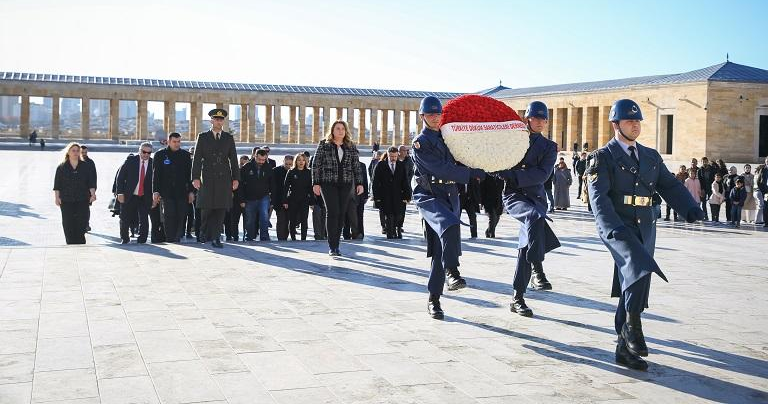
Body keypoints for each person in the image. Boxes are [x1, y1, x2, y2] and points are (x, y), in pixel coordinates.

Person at [587, 99, 703, 371]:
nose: (635, 125)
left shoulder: (651, 156)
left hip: (646, 225)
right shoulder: (602, 157)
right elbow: (598, 199)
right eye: (629, 121)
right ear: (615, 124)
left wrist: (690, 208)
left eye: (638, 120)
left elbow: (670, 185)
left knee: (635, 277)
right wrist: (611, 229)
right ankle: (633, 327)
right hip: (618, 225)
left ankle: (623, 349)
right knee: (639, 267)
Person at [411, 96, 486, 319]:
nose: (435, 118)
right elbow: (441, 169)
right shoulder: (420, 143)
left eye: (438, 114)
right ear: (422, 116)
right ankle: (452, 272)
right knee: (450, 225)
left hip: (450, 196)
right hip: (430, 197)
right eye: (431, 114)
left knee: (439, 251)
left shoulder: (449, 137)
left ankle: (434, 299)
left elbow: (463, 156)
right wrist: (470, 175)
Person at [493, 100, 561, 317]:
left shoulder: (549, 147)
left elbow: (542, 175)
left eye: (544, 119)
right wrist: (508, 174)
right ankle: (538, 268)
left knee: (525, 245)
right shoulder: (512, 140)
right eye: (536, 118)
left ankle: (517, 297)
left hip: (537, 198)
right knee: (534, 219)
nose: (540, 122)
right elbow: (496, 166)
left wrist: (511, 174)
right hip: (515, 197)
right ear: (527, 119)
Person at [311, 120, 364, 257]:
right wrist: (315, 183)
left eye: (342, 129)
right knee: (332, 212)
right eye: (337, 128)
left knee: (341, 213)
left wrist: (359, 183)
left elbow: (356, 166)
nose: (340, 131)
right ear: (332, 130)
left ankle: (337, 245)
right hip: (328, 184)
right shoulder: (324, 144)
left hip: (346, 184)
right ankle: (332, 246)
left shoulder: (350, 146)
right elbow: (316, 164)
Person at [191, 108, 240, 248]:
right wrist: (195, 177)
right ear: (211, 121)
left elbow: (233, 160)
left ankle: (216, 237)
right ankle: (203, 232)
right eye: (216, 119)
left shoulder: (228, 138)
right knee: (206, 209)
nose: (219, 122)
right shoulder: (203, 137)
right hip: (207, 177)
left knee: (220, 208)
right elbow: (197, 159)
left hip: (223, 178)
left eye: (221, 119)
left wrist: (236, 178)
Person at [152, 132, 194, 242]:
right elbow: (156, 175)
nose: (177, 144)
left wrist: (191, 191)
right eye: (174, 142)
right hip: (166, 192)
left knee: (181, 214)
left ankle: (178, 236)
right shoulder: (160, 155)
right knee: (169, 215)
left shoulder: (185, 155)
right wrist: (155, 191)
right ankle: (170, 237)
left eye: (179, 141)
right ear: (169, 141)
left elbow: (190, 175)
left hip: (181, 192)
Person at [53, 143, 96, 244]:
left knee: (82, 221)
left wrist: (93, 194)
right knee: (68, 222)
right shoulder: (61, 167)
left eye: (77, 151)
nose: (76, 153)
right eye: (73, 150)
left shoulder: (85, 166)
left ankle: (80, 241)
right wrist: (56, 197)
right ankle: (70, 242)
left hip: (83, 199)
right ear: (68, 152)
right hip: (66, 200)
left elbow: (91, 182)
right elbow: (57, 184)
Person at [115, 142, 154, 244]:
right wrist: (119, 193)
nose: (146, 154)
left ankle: (142, 240)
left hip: (145, 196)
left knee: (144, 219)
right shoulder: (131, 161)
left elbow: (158, 181)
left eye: (149, 153)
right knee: (125, 218)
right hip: (130, 195)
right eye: (144, 152)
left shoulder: (153, 163)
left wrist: (156, 196)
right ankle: (125, 238)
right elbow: (120, 177)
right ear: (139, 151)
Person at [372, 146, 412, 239]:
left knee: (398, 214)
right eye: (391, 157)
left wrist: (407, 196)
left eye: (395, 156)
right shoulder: (381, 165)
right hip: (385, 195)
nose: (393, 158)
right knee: (388, 215)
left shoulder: (401, 165)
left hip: (398, 195)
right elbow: (375, 182)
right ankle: (390, 233)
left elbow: (405, 181)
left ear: (397, 155)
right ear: (388, 155)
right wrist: (376, 197)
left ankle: (397, 229)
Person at [239, 149, 273, 241]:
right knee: (250, 219)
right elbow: (240, 185)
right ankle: (249, 237)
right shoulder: (247, 167)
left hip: (264, 197)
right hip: (249, 198)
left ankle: (264, 237)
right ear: (255, 157)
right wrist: (241, 200)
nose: (261, 162)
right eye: (259, 160)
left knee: (264, 217)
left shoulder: (268, 167)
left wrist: (272, 199)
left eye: (263, 160)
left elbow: (272, 184)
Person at [283, 153, 313, 240]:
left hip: (304, 199)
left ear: (305, 161)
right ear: (296, 161)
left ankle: (303, 238)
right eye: (299, 160)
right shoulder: (291, 172)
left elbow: (310, 188)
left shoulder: (308, 172)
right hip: (293, 199)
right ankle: (293, 238)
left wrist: (311, 202)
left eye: (303, 160)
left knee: (304, 220)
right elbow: (286, 187)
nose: (301, 162)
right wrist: (285, 201)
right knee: (292, 220)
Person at [272, 154, 294, 240]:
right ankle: (281, 238)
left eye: (290, 164)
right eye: (286, 164)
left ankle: (285, 236)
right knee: (281, 220)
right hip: (279, 200)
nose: (288, 166)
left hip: (291, 200)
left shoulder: (293, 171)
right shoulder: (276, 171)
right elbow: (273, 187)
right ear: (283, 162)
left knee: (288, 220)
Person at [79, 145, 97, 232]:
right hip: (77, 190)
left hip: (87, 191)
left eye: (85, 152)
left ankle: (86, 224)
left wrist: (93, 191)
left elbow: (94, 177)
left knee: (86, 208)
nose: (84, 154)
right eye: (82, 152)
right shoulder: (76, 161)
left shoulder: (90, 162)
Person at [458, 174, 481, 238]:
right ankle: (456, 235)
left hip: (469, 200)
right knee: (457, 217)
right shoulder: (459, 177)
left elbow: (477, 188)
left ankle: (474, 235)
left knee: (473, 217)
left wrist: (478, 200)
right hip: (460, 199)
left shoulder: (472, 177)